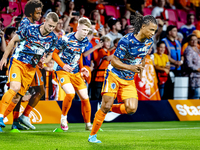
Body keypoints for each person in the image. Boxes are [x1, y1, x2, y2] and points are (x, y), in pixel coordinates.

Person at [88, 13, 157, 143]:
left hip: (128, 79)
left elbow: (141, 57)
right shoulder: (126, 40)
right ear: (143, 27)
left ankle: (106, 107)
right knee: (106, 106)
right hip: (114, 74)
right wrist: (131, 67)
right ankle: (92, 136)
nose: (153, 33)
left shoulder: (149, 41)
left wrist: (140, 70)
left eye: (155, 30)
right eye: (151, 29)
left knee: (131, 109)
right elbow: (114, 61)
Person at [0, 12, 59, 132]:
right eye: (50, 26)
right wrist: (4, 57)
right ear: (44, 21)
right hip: (18, 62)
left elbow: (50, 54)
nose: (51, 29)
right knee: (15, 87)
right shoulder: (30, 29)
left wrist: (44, 60)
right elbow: (12, 41)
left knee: (17, 97)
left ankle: (4, 118)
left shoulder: (53, 38)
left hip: (31, 68)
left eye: (53, 26)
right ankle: (0, 116)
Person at [3, 0, 45, 130]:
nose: (40, 15)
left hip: (32, 63)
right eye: (37, 13)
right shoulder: (25, 24)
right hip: (23, 62)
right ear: (31, 13)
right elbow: (15, 40)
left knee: (23, 93)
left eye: (40, 12)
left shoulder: (34, 24)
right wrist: (5, 57)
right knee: (21, 92)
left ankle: (17, 120)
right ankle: (13, 118)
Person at [52, 17, 93, 131]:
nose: (85, 33)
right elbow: (54, 54)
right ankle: (64, 118)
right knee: (70, 94)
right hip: (62, 70)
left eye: (87, 31)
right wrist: (63, 65)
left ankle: (88, 124)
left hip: (75, 72)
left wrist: (81, 68)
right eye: (84, 29)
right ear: (78, 27)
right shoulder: (65, 38)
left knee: (85, 97)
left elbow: (78, 54)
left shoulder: (85, 41)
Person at [183, 34, 200, 99]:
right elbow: (189, 64)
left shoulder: (196, 48)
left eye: (195, 39)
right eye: (192, 40)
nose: (194, 41)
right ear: (189, 41)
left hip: (198, 77)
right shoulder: (188, 50)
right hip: (193, 77)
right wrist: (198, 69)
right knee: (196, 95)